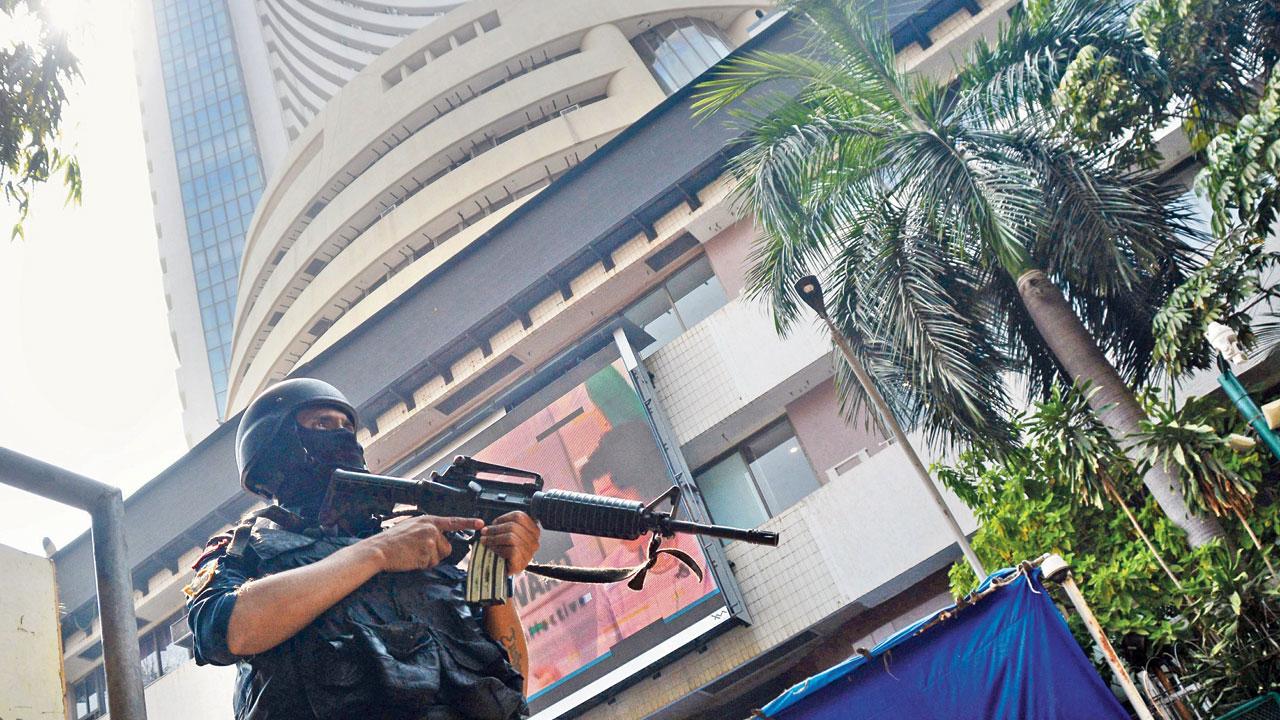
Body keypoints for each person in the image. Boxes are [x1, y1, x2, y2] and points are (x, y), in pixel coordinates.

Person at [184, 378, 540, 720]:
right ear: (275, 447)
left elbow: (508, 689)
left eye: (346, 428)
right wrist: (378, 553)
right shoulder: (245, 547)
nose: (341, 436)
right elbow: (231, 629)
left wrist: (493, 567)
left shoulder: (418, 552)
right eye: (322, 423)